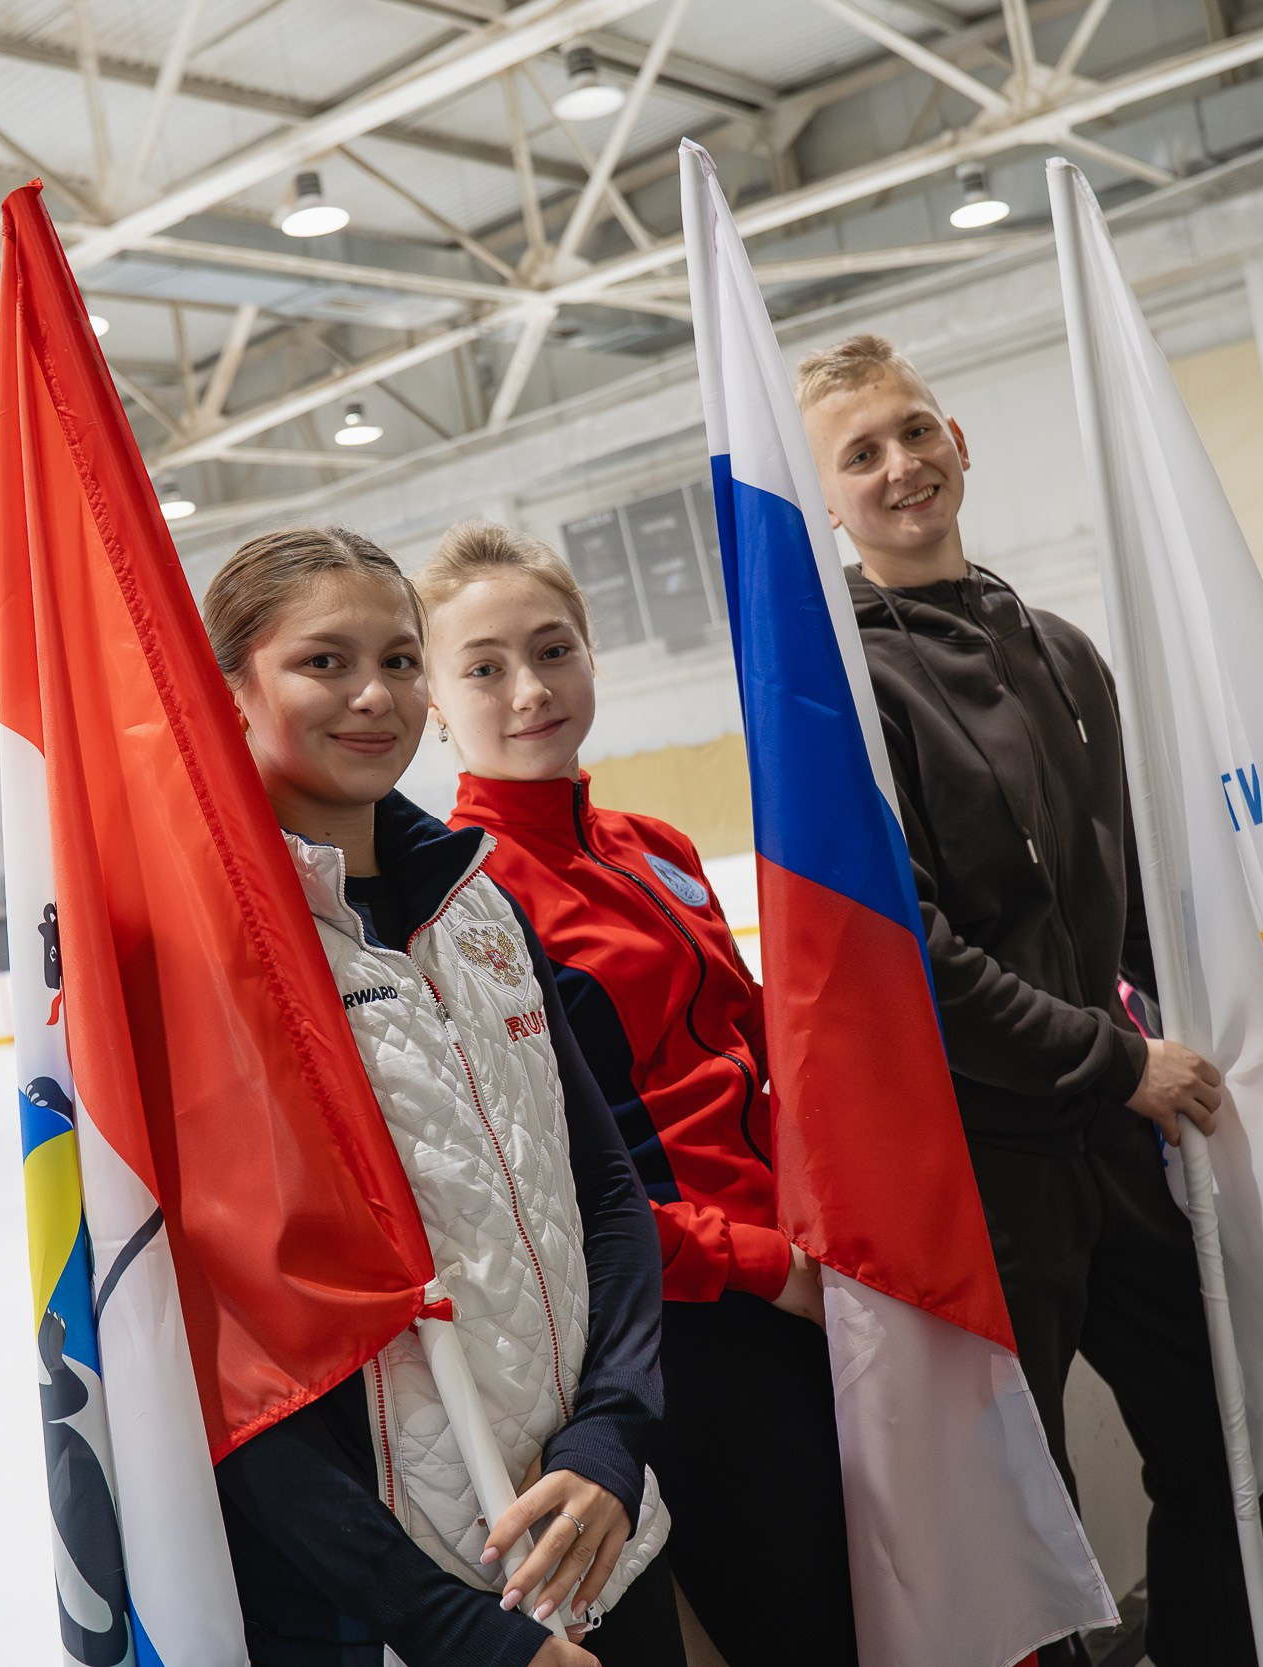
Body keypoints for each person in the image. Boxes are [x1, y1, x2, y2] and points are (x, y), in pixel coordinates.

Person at [796, 333, 1251, 1667]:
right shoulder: (848, 684)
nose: (901, 466)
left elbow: (1119, 890)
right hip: (987, 1160)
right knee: (1020, 1507)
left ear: (960, 442)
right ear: (826, 497)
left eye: (915, 431)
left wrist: (1174, 1042)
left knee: (1230, 1438)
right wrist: (1116, 1060)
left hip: (1119, 1125)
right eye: (861, 453)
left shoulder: (1060, 649)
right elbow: (910, 955)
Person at [200, 525, 682, 1667]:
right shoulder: (212, 960)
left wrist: (612, 1438)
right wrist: (458, 1633)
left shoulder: (478, 906)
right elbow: (231, 1369)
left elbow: (603, 1195)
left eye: (401, 659)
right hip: (405, 1614)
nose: (375, 694)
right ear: (228, 690)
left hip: (595, 1534)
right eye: (324, 661)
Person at [419, 520, 856, 1666]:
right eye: (483, 666)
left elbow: (764, 1053)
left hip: (808, 1271)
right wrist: (763, 1265)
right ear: (432, 700)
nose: (530, 687)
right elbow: (553, 1189)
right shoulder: (463, 899)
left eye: (553, 648)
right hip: (695, 1322)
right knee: (803, 1625)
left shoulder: (650, 842)